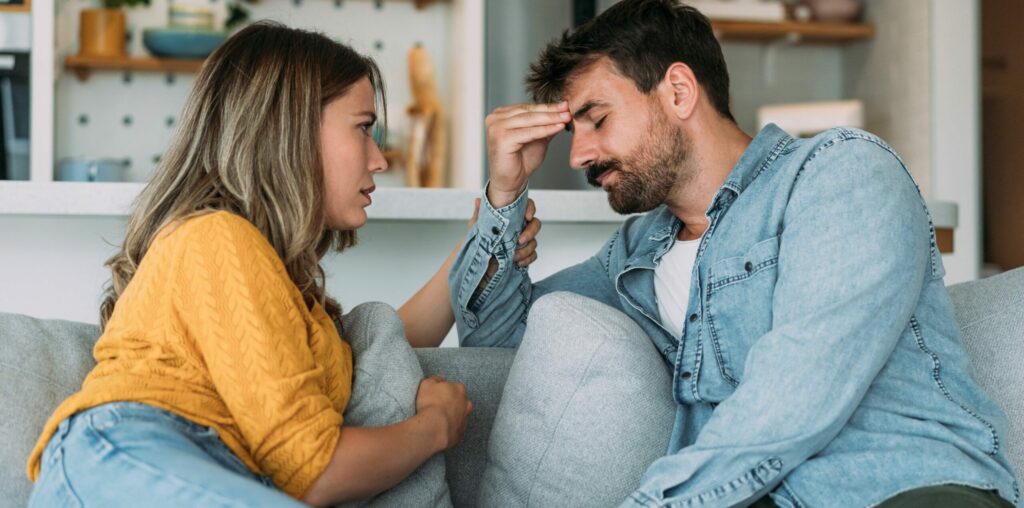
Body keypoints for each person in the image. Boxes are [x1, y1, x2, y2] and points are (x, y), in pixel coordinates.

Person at [448, 1, 1018, 507]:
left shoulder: (840, 172)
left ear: (678, 91)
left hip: (902, 486)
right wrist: (504, 196)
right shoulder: (636, 252)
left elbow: (795, 392)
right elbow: (499, 344)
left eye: (597, 120)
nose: (579, 155)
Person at [25, 22, 542, 507]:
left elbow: (385, 339)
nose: (379, 159)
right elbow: (313, 471)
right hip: (127, 458)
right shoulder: (215, 237)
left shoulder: (285, 293)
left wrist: (492, 224)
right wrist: (434, 427)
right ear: (289, 130)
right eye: (363, 129)